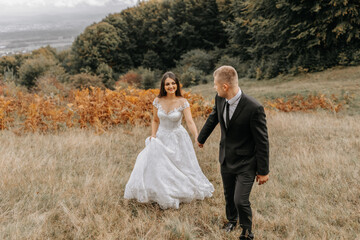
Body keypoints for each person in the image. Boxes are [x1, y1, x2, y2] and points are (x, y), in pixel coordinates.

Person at [197, 66, 269, 240]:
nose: (214, 88)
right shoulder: (220, 99)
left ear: (225, 86)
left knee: (240, 200)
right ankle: (231, 221)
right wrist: (201, 138)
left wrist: (263, 171)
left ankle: (246, 232)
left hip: (247, 162)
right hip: (226, 158)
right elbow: (214, 117)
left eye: (215, 85)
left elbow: (262, 141)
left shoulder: (254, 108)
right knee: (229, 195)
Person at [124, 71, 214, 209]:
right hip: (161, 136)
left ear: (177, 85)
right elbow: (155, 120)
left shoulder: (183, 102)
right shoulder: (157, 101)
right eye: (167, 84)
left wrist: (196, 135)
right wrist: (153, 135)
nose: (171, 86)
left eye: (173, 83)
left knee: (179, 166)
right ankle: (160, 191)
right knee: (159, 165)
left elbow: (189, 122)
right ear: (163, 86)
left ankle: (179, 189)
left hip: (177, 137)